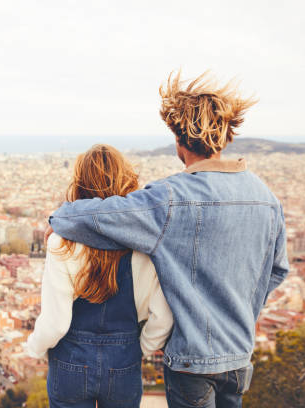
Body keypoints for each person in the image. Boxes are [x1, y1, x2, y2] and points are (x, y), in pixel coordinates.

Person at [46, 72, 289, 408]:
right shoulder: (267, 198)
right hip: (238, 357)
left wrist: (59, 220)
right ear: (226, 136)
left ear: (179, 141)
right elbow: (277, 270)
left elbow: (106, 216)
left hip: (191, 358)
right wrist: (239, 310)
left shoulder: (169, 198)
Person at [27, 144, 173, 408]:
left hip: (70, 361)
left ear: (80, 184)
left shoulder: (61, 241)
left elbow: (56, 323)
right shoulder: (146, 244)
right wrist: (140, 349)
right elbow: (162, 315)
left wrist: (34, 347)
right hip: (124, 361)